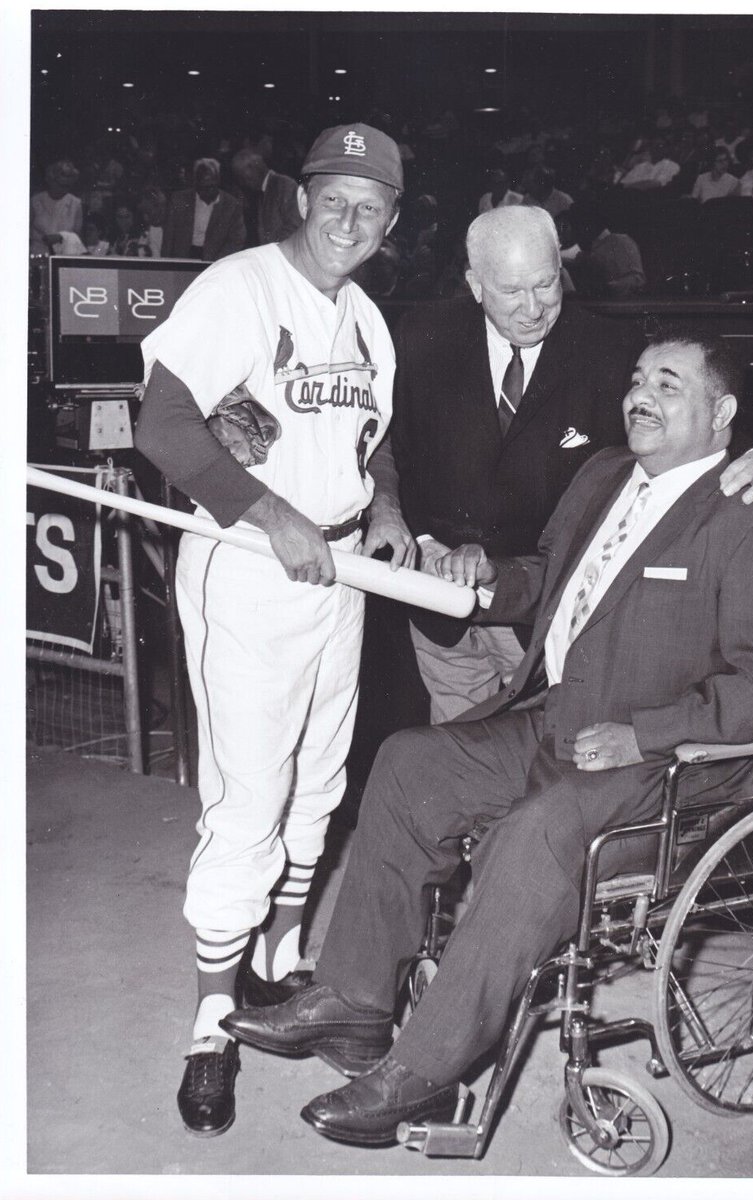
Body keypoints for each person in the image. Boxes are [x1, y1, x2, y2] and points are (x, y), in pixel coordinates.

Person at [221, 327, 753, 1147]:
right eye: (638, 376)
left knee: (532, 836)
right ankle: (355, 1003)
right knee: (409, 764)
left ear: (721, 413)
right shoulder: (605, 472)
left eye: (669, 385)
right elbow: (552, 579)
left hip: (671, 765)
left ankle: (426, 1070)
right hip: (557, 719)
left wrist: (645, 734)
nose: (640, 395)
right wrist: (486, 575)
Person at [133, 124, 412, 1138]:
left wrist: (382, 508)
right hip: (249, 567)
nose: (349, 222)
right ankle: (210, 1024)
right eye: (333, 199)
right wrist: (269, 513)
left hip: (340, 572)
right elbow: (160, 423)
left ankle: (283, 970)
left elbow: (371, 442)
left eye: (369, 208)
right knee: (247, 795)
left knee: (318, 781)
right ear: (301, 196)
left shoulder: (368, 320)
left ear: (391, 220)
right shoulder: (238, 287)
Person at [370, 205, 753, 724]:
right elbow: (393, 444)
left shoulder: (613, 350)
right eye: (511, 292)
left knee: (549, 754)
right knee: (455, 753)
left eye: (545, 285)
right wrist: (425, 541)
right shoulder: (420, 335)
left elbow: (702, 415)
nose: (532, 309)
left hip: (544, 609)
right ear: (475, 285)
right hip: (435, 600)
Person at [161, 158, 246, 261]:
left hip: (216, 259)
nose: (207, 192)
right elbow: (168, 238)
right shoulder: (179, 200)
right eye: (202, 187)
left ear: (218, 181)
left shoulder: (232, 205)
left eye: (211, 187)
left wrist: (217, 262)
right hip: (183, 257)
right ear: (195, 183)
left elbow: (236, 240)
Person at [231, 148, 304, 246]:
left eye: (242, 176)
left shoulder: (284, 185)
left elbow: (294, 225)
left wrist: (272, 250)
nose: (242, 182)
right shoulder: (264, 191)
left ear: (253, 168)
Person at [29, 159, 83, 254]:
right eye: (61, 185)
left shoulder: (76, 204)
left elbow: (76, 237)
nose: (64, 189)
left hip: (65, 255)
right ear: (50, 180)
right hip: (38, 252)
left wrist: (60, 237)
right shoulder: (35, 201)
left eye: (68, 186)